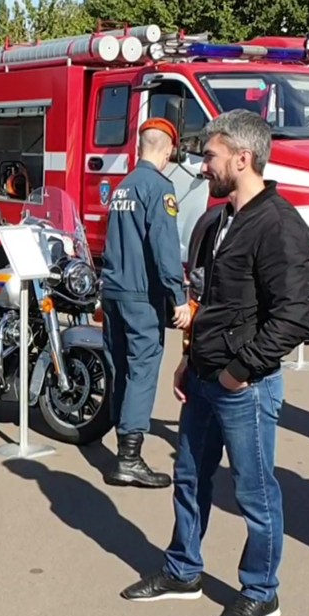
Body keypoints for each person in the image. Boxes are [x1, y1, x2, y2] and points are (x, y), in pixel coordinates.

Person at [119, 110, 309, 616]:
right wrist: (190, 358)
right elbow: (209, 299)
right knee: (189, 476)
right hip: (206, 374)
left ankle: (260, 592)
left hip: (244, 385)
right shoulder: (220, 216)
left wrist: (240, 370)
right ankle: (184, 570)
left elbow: (295, 316)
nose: (202, 165)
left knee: (254, 492)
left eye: (210, 155)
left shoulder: (278, 224)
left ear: (242, 158)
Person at [99, 117, 191, 489]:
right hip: (141, 296)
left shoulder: (123, 186)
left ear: (140, 147)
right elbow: (165, 249)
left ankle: (122, 442)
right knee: (142, 371)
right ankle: (129, 458)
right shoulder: (159, 188)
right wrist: (179, 297)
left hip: (114, 291)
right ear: (168, 150)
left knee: (120, 368)